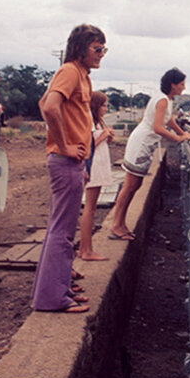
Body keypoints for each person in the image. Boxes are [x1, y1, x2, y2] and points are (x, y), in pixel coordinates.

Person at [31, 25, 107, 312]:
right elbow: (50, 107)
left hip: (74, 163)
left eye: (104, 49)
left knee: (61, 229)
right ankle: (52, 298)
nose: (101, 54)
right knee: (61, 232)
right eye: (97, 49)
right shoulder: (70, 71)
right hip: (66, 160)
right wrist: (63, 146)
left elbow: (44, 103)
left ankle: (59, 288)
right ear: (80, 48)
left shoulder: (81, 75)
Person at [108, 67, 190, 241]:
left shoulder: (166, 100)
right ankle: (116, 224)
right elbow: (158, 127)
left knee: (135, 186)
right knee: (130, 186)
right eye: (181, 84)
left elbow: (169, 120)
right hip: (141, 143)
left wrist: (182, 133)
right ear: (173, 85)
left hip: (145, 144)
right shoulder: (162, 100)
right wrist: (178, 138)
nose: (184, 87)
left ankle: (121, 223)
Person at [76, 90, 115, 262]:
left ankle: (86, 248)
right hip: (94, 166)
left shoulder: (97, 122)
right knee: (89, 209)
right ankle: (85, 250)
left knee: (91, 209)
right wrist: (103, 136)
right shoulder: (89, 122)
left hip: (99, 165)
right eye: (104, 105)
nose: (106, 109)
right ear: (96, 105)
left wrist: (108, 137)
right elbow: (88, 146)